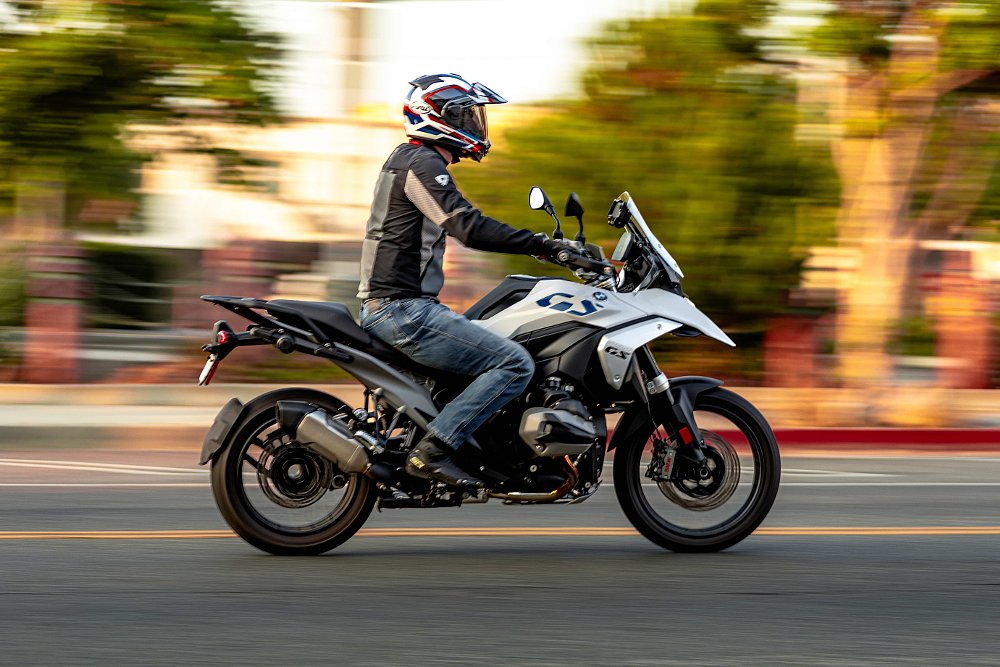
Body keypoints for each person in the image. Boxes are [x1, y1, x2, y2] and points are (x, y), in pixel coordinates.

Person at [357, 73, 562, 489]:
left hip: (402, 306)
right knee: (513, 363)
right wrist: (543, 245)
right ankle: (432, 453)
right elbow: (465, 225)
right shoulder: (420, 162)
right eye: (465, 115)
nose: (474, 124)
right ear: (436, 116)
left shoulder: (411, 159)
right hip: (402, 310)